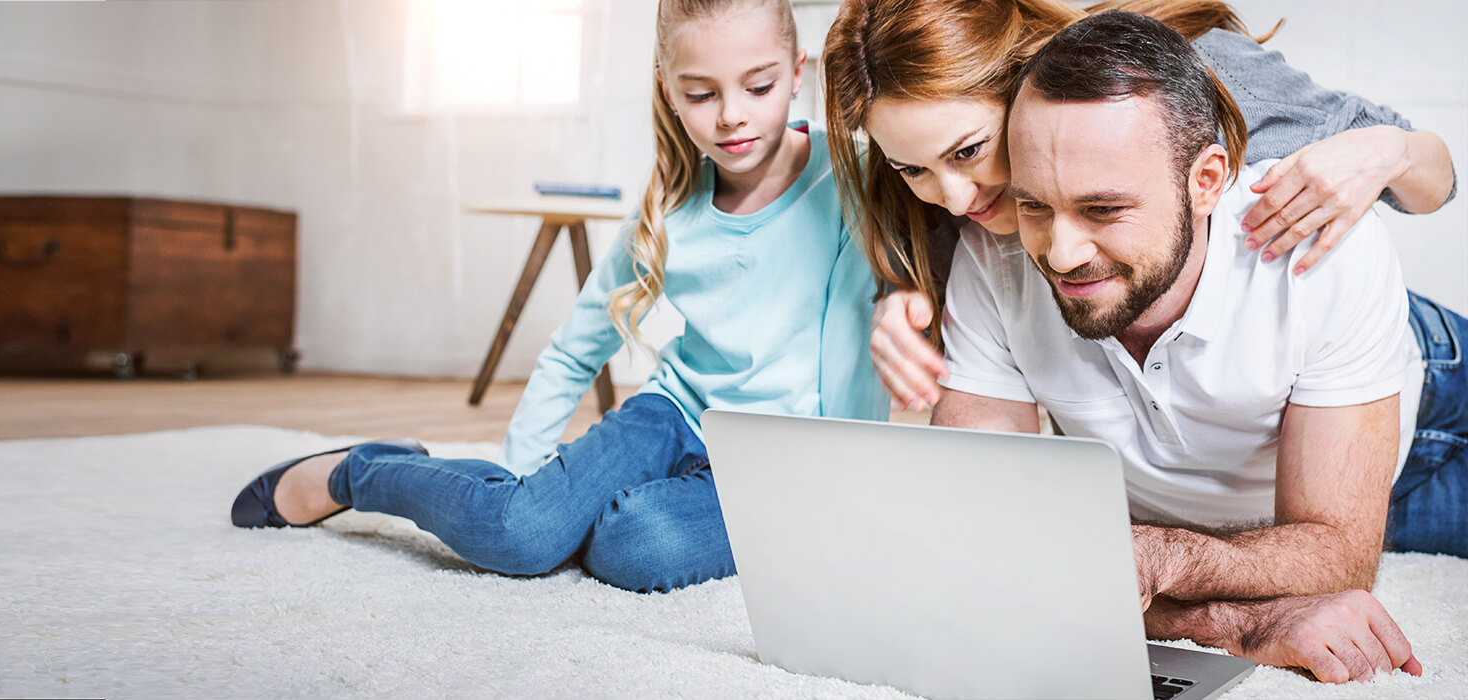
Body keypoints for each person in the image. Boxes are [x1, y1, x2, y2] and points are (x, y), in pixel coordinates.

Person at [230, 0, 885, 594]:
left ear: (798, 72)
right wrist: (514, 491)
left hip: (778, 462)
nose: (732, 114)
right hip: (671, 417)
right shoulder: (665, 215)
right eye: (701, 93)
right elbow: (575, 353)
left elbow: (874, 328)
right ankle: (358, 472)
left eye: (759, 85)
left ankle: (606, 512)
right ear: (669, 90)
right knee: (520, 536)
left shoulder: (854, 175)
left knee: (635, 545)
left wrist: (844, 493)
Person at [934, 9, 1466, 682]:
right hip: (1260, 520)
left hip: (1430, 426)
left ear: (1207, 181)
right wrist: (1223, 620)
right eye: (1036, 205)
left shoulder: (1322, 247)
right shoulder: (996, 253)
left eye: (1103, 210)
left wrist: (1164, 559)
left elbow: (1339, 554)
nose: (1061, 254)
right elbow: (970, 538)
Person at [821, 0, 1456, 415]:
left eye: (970, 151)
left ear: (1021, 77)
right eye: (913, 169)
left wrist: (1387, 152)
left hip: (1425, 367)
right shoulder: (948, 178)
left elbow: (1439, 181)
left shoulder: (1183, 85)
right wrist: (899, 291)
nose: (956, 199)